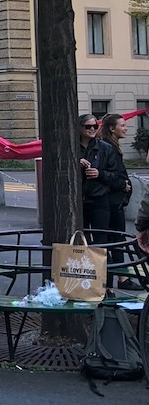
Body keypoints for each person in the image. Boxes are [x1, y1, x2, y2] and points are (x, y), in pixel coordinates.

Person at [99, 113, 138, 289]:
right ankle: (119, 280)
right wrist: (123, 185)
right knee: (116, 239)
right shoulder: (108, 147)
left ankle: (119, 279)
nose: (125, 128)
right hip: (111, 200)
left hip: (114, 200)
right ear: (112, 129)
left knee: (115, 239)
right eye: (122, 125)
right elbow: (111, 174)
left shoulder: (111, 146)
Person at [78, 113, 116, 246]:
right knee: (82, 239)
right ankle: (84, 266)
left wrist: (99, 174)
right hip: (78, 201)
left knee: (100, 240)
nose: (93, 129)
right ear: (80, 128)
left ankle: (101, 266)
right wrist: (76, 162)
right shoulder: (72, 149)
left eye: (95, 126)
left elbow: (115, 176)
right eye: (88, 126)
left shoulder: (106, 148)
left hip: (99, 200)